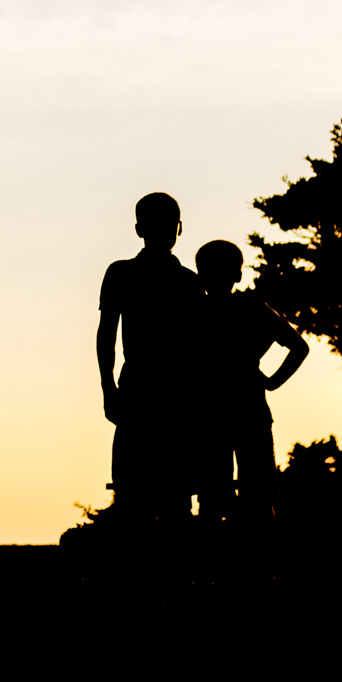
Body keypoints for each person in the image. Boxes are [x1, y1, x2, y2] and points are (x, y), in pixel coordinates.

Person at [97, 192, 206, 525]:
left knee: (169, 498)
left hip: (170, 395)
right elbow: (106, 336)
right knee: (139, 497)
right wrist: (108, 388)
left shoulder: (188, 282)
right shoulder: (126, 274)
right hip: (145, 392)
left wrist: (108, 388)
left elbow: (200, 345)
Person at [191, 239, 307, 524]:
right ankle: (259, 562)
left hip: (213, 413)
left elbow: (299, 348)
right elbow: (299, 347)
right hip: (245, 409)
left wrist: (272, 381)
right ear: (238, 274)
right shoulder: (254, 311)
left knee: (215, 497)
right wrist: (271, 381)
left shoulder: (193, 315)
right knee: (255, 495)